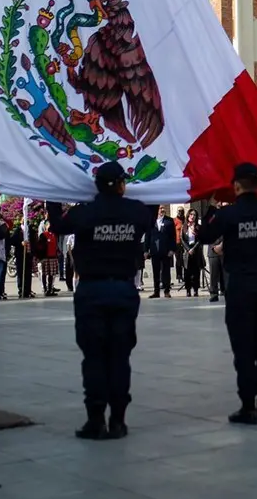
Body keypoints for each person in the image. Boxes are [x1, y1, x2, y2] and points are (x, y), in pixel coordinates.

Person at [46, 162, 152, 439]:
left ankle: (96, 419)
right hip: (124, 291)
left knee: (93, 358)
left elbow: (57, 225)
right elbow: (150, 213)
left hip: (91, 291)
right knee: (119, 356)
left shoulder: (85, 213)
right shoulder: (135, 212)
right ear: (120, 184)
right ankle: (118, 420)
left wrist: (52, 192)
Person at [202, 163, 257, 425]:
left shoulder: (228, 216)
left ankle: (248, 406)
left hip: (239, 288)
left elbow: (205, 235)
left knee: (244, 348)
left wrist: (213, 206)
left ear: (235, 186)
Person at [148, 207, 176, 298]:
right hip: (154, 250)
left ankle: (167, 291)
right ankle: (156, 292)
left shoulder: (169, 221)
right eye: (160, 208)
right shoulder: (151, 220)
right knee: (155, 272)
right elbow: (148, 235)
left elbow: (173, 236)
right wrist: (145, 250)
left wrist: (172, 249)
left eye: (163, 208)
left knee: (166, 272)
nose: (162, 210)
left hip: (166, 251)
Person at [182, 211, 204, 297]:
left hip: (196, 250)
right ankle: (188, 290)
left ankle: (195, 290)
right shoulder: (184, 226)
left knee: (196, 272)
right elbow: (182, 239)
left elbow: (200, 239)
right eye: (191, 214)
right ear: (188, 216)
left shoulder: (198, 227)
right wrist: (188, 249)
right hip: (187, 251)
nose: (192, 216)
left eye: (194, 215)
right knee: (187, 272)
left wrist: (193, 248)